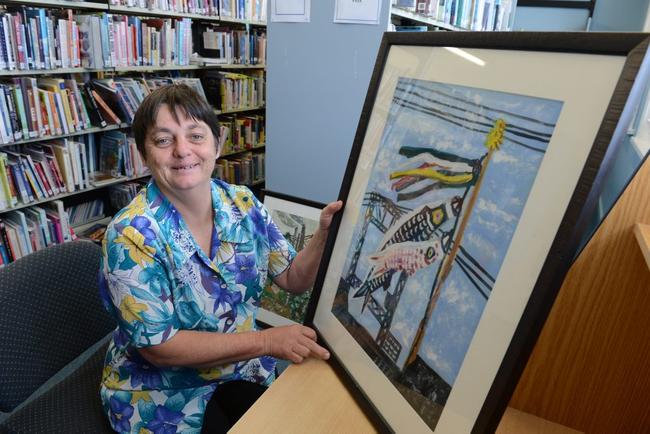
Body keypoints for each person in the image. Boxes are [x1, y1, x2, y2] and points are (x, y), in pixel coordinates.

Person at [98, 84, 343, 433]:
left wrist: (323, 237)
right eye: (164, 140)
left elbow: (293, 277)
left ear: (217, 143)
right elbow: (160, 349)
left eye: (195, 135)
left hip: (241, 368)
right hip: (161, 395)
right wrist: (267, 342)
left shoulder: (242, 203)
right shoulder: (130, 236)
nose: (183, 151)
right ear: (144, 153)